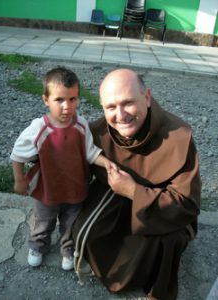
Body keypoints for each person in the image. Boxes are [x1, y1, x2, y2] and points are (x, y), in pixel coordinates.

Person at [72, 68, 201, 300]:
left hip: (162, 208)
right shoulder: (97, 131)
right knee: (86, 231)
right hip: (117, 198)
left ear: (147, 98)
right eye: (110, 107)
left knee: (167, 240)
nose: (120, 115)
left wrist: (133, 191)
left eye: (128, 103)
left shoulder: (178, 136)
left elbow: (187, 205)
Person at [10, 66, 117, 271]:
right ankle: (37, 246)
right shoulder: (38, 128)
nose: (67, 106)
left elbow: (90, 152)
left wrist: (107, 163)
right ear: (46, 100)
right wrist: (19, 179)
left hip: (75, 189)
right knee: (43, 221)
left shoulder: (81, 125)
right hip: (47, 189)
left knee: (71, 224)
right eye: (59, 100)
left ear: (78, 98)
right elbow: (18, 154)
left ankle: (67, 249)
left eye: (72, 99)